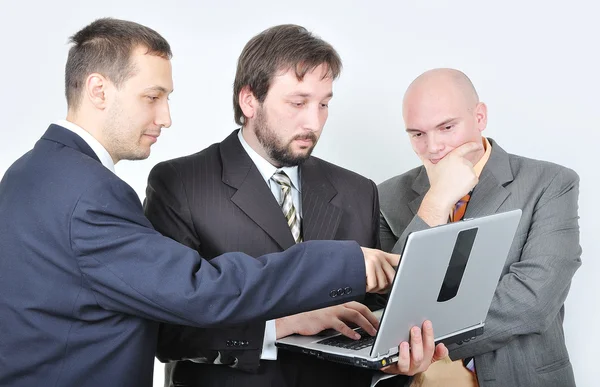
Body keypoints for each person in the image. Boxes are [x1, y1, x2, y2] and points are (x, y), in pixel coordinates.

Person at [0, 18, 411, 387]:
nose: (166, 117)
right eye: (152, 96)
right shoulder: (92, 193)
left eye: (323, 103)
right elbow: (197, 290)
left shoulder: (29, 173)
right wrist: (342, 262)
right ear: (98, 90)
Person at [144, 24, 447, 387]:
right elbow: (167, 331)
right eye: (298, 103)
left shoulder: (358, 190)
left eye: (324, 104)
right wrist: (281, 325)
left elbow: (373, 322)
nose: (314, 121)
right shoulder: (180, 183)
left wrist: (394, 360)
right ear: (249, 100)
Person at [378, 68, 582, 387]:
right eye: (417, 134)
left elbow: (532, 301)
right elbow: (387, 301)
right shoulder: (387, 195)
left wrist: (426, 337)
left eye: (446, 127)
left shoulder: (550, 183)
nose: (433, 147)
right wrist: (437, 201)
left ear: (480, 116)